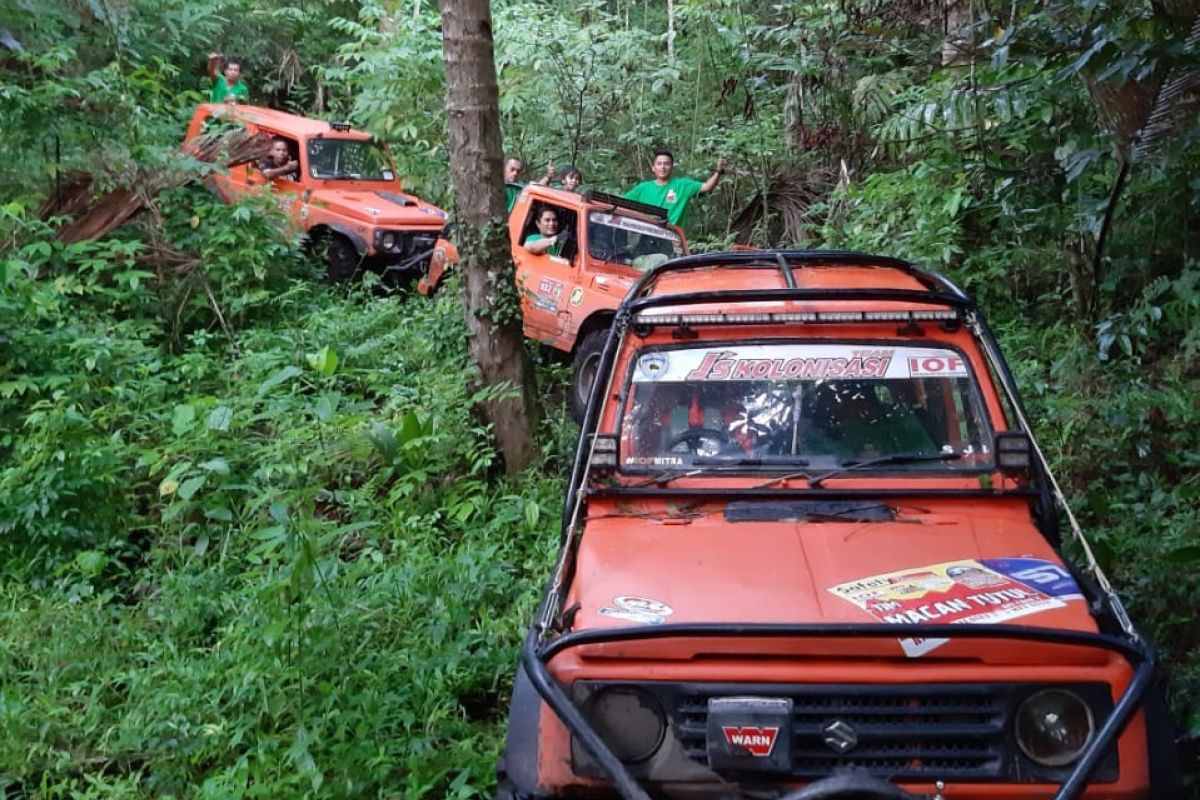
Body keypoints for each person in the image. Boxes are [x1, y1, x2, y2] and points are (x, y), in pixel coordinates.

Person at [624, 149, 726, 229]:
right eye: (659, 164)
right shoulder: (643, 188)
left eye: (666, 164)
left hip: (672, 237)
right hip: (648, 235)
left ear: (672, 167)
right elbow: (622, 204)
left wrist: (718, 171)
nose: (663, 167)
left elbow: (707, 187)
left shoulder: (683, 185)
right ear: (653, 168)